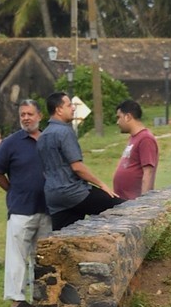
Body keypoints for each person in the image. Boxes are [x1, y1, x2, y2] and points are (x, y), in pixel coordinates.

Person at [0, 98, 49, 307]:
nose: (26, 118)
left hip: (47, 207)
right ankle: (17, 298)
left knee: (43, 255)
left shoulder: (48, 140)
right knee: (17, 255)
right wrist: (11, 190)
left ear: (39, 116)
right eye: (22, 114)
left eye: (29, 114)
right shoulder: (11, 143)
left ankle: (42, 296)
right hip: (21, 208)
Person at [38, 87, 119, 231]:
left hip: (53, 196)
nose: (73, 108)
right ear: (59, 110)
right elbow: (77, 167)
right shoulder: (64, 132)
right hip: (74, 192)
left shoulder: (42, 136)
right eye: (69, 105)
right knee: (122, 208)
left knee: (64, 239)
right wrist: (101, 185)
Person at [113, 99, 160, 198]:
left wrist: (143, 203)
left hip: (133, 203)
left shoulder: (145, 139)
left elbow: (148, 172)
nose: (117, 122)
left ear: (128, 117)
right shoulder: (134, 137)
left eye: (119, 117)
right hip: (124, 201)